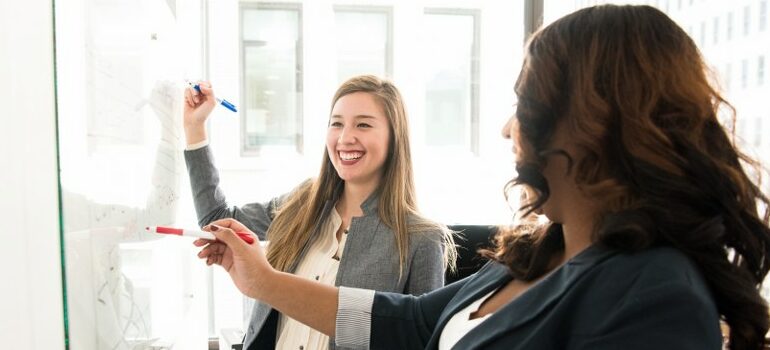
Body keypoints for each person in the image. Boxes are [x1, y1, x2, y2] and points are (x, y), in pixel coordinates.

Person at [194, 5, 770, 349]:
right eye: (336, 123)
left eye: (525, 104)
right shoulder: (535, 254)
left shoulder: (654, 292)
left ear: (591, 122)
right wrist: (262, 282)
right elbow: (413, 322)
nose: (505, 129)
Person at [182, 75, 456, 349]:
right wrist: (195, 127)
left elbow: (424, 340)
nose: (345, 137)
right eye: (336, 124)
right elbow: (216, 221)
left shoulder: (422, 238)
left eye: (363, 124)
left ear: (395, 137)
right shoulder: (304, 203)